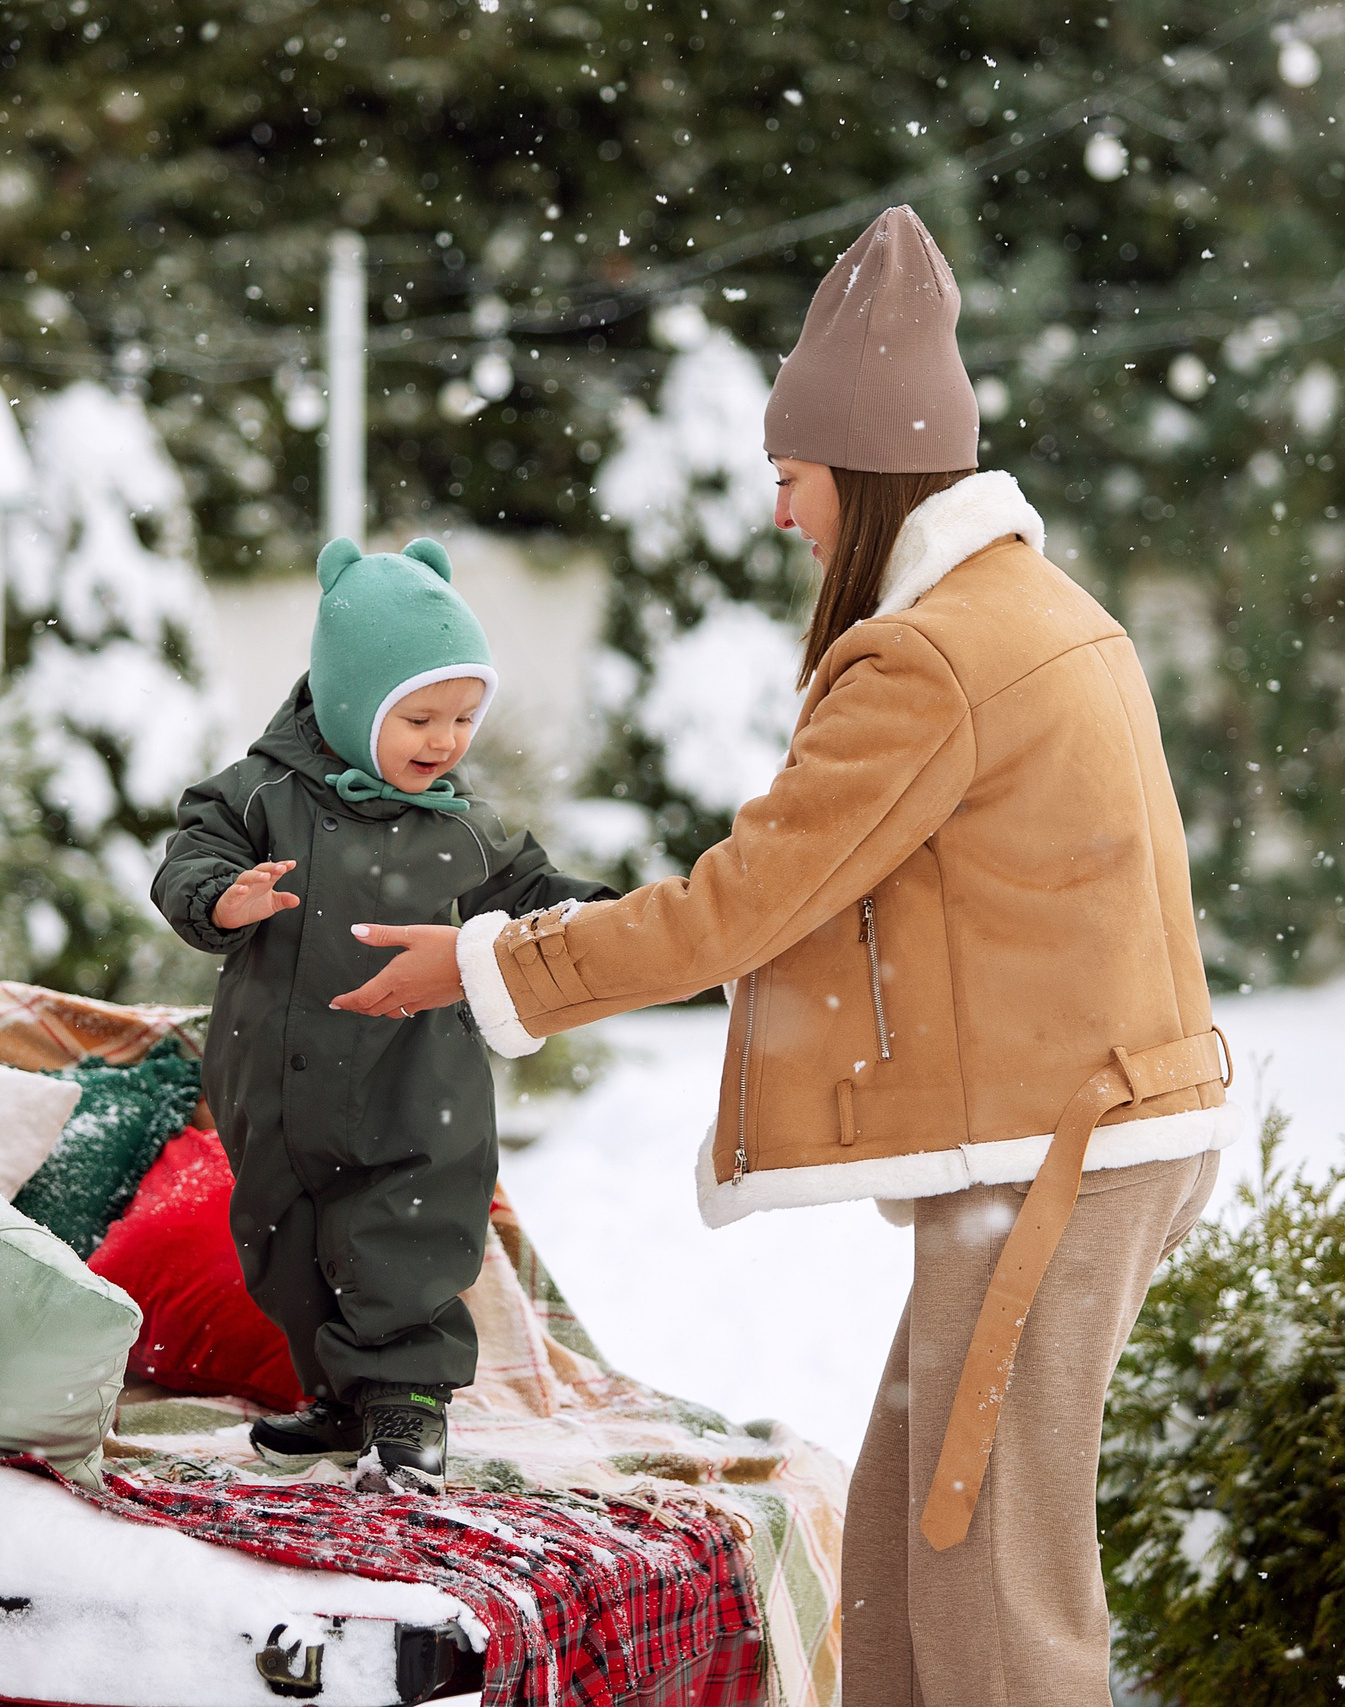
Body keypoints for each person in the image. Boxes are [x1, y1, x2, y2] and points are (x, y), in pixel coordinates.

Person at [332, 208, 1240, 1704]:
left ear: (870, 479)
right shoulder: (1044, 613)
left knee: (992, 1586)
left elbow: (742, 902)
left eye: (796, 478)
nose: (781, 515)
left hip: (1060, 1156)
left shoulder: (931, 656)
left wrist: (492, 963)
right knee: (904, 1544)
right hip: (1102, 1132)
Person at [151, 534, 615, 1493]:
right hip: (271, 1084)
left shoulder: (461, 827)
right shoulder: (256, 796)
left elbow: (538, 895)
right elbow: (186, 861)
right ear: (354, 699)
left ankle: (407, 1406)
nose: (446, 740)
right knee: (284, 1242)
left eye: (464, 717)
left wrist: (625, 919)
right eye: (421, 716)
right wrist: (220, 897)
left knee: (404, 1228)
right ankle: (340, 1396)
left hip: (412, 1083)